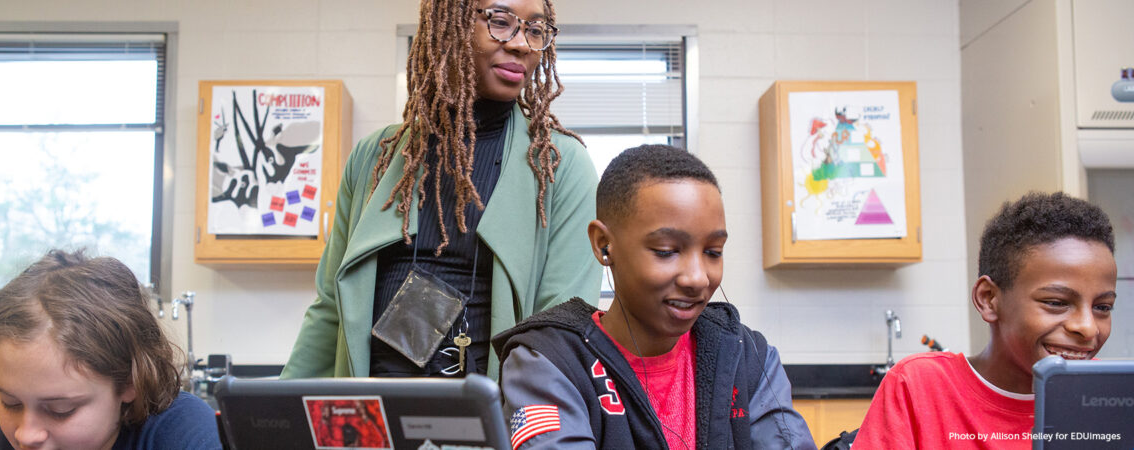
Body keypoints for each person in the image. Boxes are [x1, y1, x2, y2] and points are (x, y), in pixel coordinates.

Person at [282, 0, 599, 379]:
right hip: (372, 418)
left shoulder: (559, 165)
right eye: (501, 22)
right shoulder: (375, 157)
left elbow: (561, 329)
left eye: (535, 30)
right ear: (447, 27)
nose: (521, 44)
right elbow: (331, 308)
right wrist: (283, 415)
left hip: (490, 418)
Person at [493, 145, 817, 449]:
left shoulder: (746, 356)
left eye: (713, 252)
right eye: (666, 251)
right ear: (604, 244)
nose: (698, 277)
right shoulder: (550, 362)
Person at [854, 191, 1118, 449]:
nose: (1087, 327)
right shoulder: (918, 387)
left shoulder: (1110, 398)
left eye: (1103, 307)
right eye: (1056, 303)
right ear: (989, 298)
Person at [0, 250, 221, 450]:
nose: (27, 436)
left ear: (129, 382)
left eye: (61, 409)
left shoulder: (187, 434)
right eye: (10, 403)